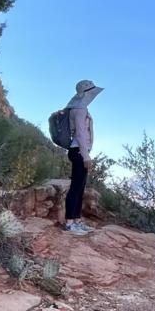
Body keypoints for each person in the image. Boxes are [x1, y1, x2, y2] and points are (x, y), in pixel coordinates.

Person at [63, 79, 103, 234]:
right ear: (85, 94)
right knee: (76, 188)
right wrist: (86, 155)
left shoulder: (77, 107)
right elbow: (80, 133)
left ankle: (77, 220)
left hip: (78, 151)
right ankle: (70, 223)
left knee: (80, 187)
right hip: (79, 151)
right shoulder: (80, 109)